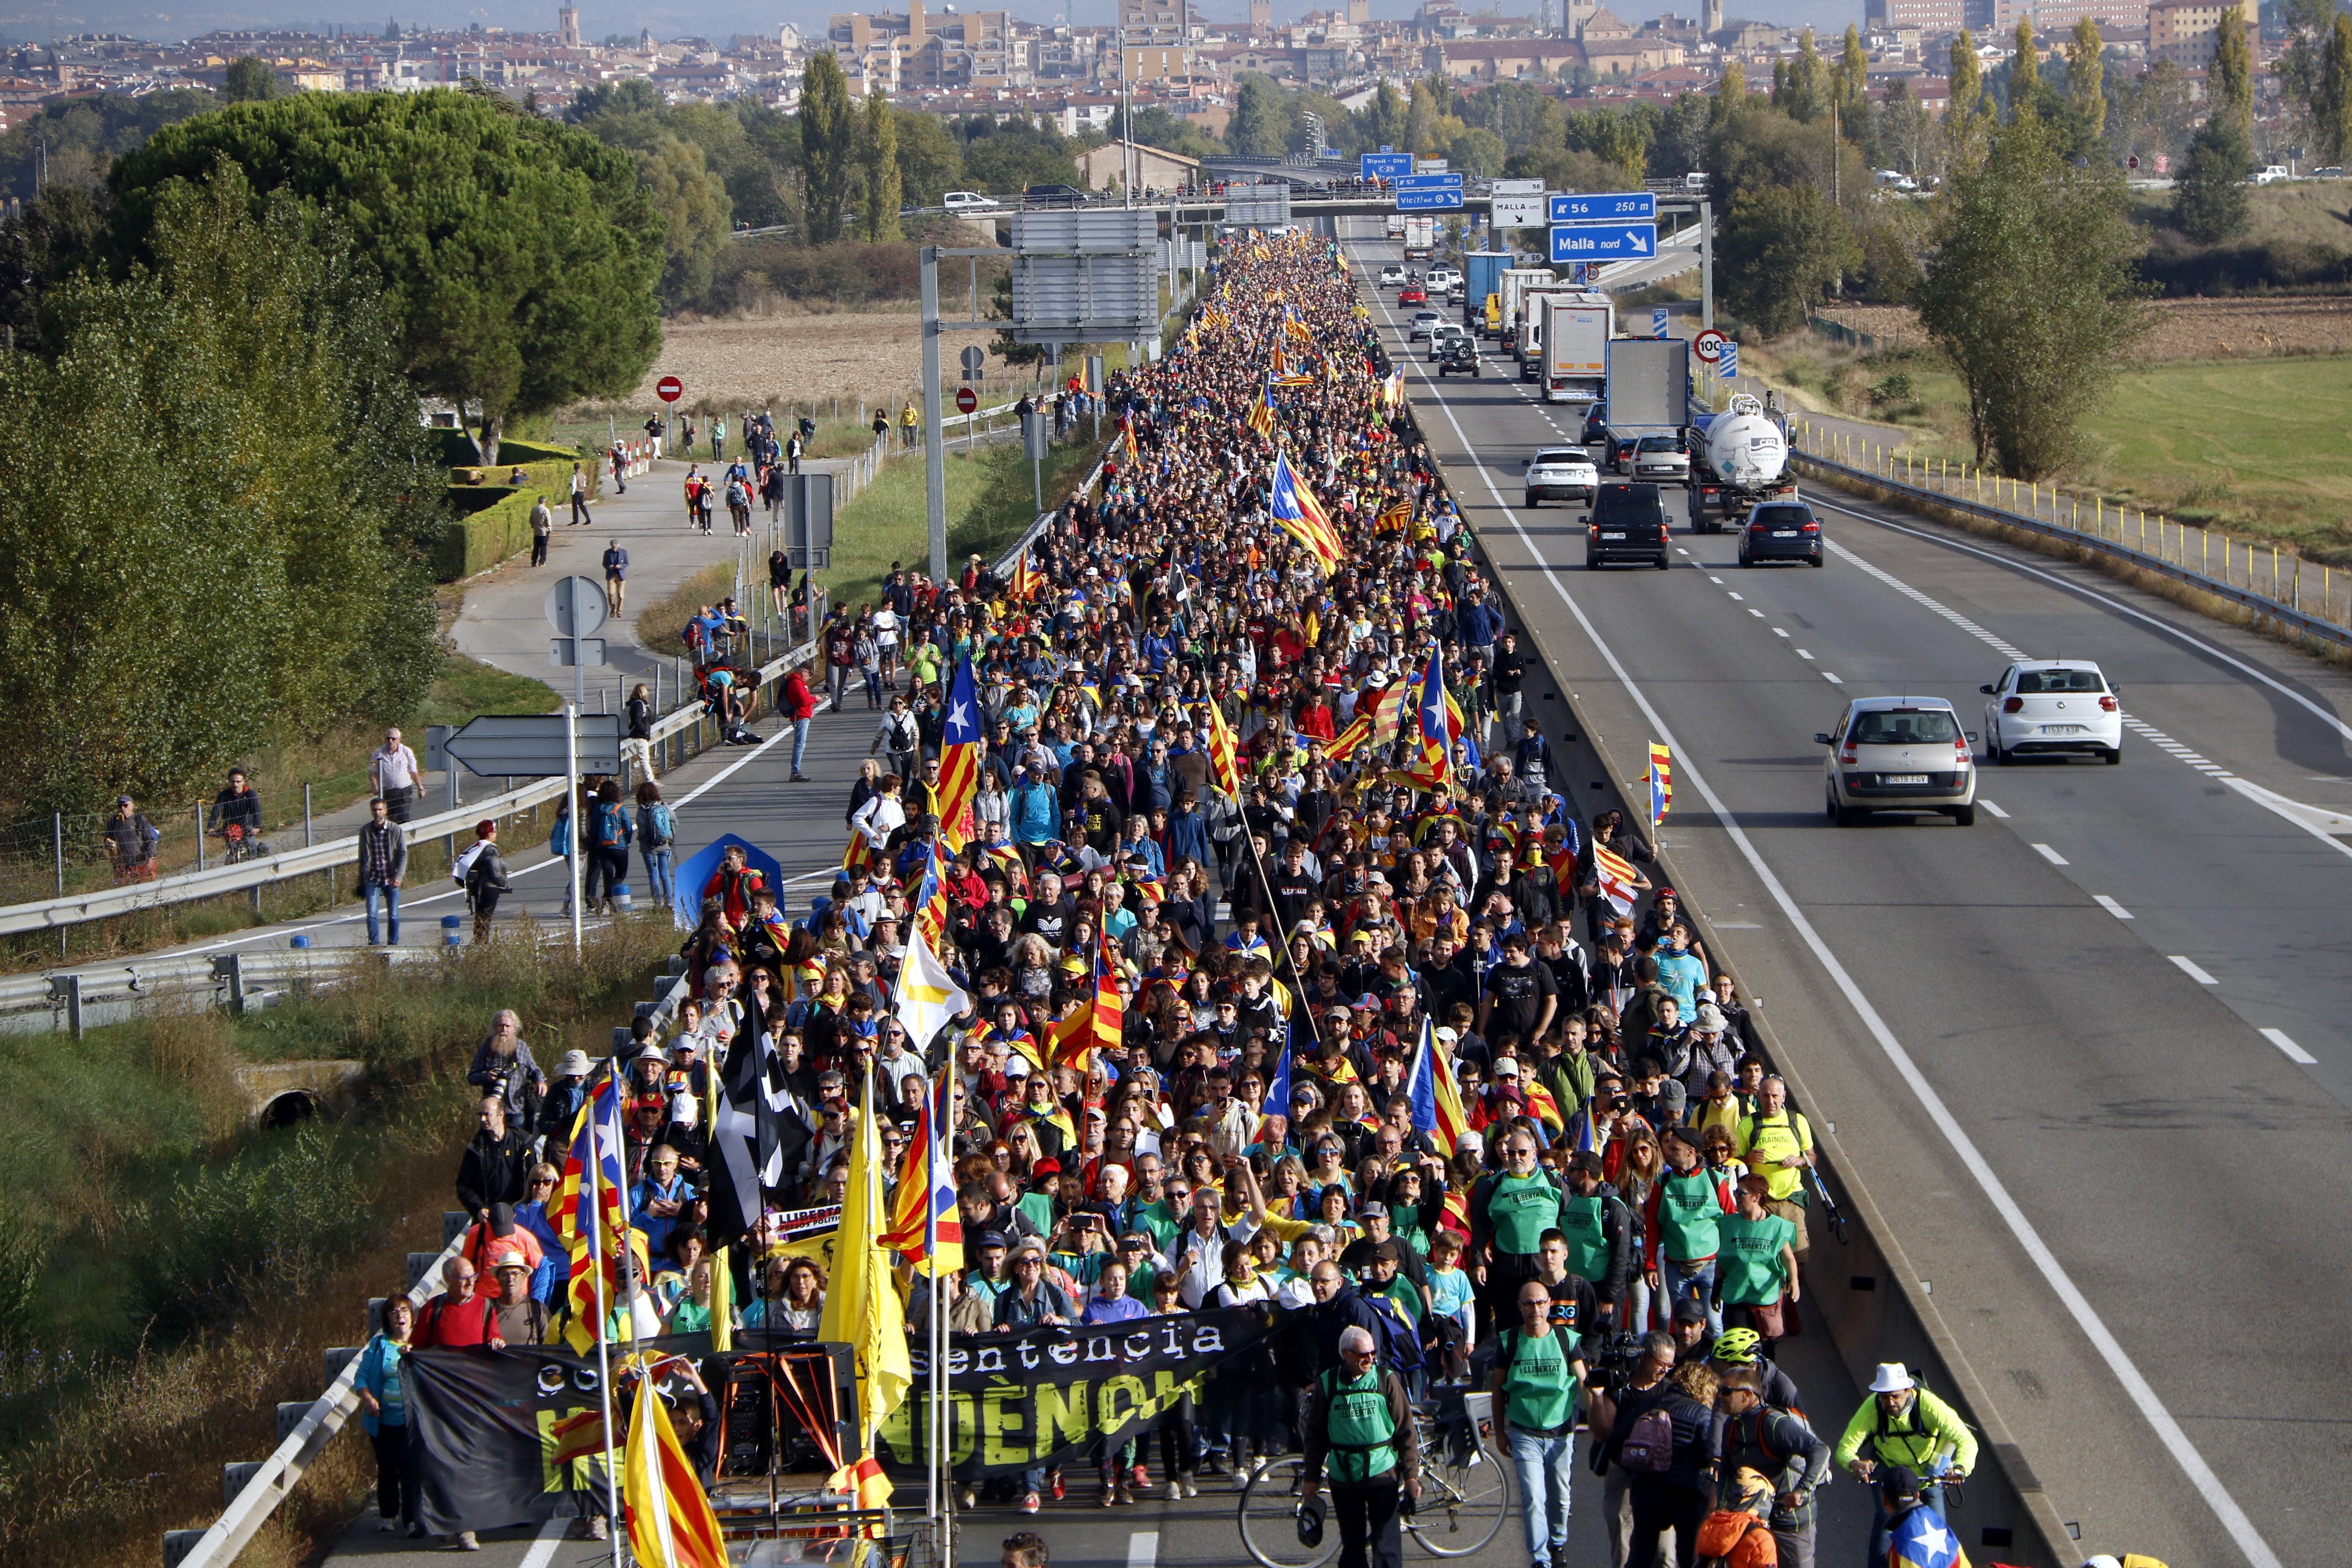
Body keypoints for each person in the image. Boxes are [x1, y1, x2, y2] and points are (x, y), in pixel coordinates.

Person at [1300, 1324, 1421, 1568]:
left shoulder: (1385, 1379)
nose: (1370, 1359)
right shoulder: (1327, 1383)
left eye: (1373, 1353)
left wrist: (1411, 1476)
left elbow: (1406, 1430)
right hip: (1344, 1477)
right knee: (1353, 1548)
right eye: (1363, 1354)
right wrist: (1311, 1478)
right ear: (1345, 1354)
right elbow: (1315, 1435)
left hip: (1382, 1474)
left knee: (1387, 1548)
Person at [1834, 1365, 1977, 1568]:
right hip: (1890, 1471)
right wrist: (1855, 1464)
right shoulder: (1872, 1408)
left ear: (1909, 1391)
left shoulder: (1929, 1406)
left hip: (1928, 1472)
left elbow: (1966, 1440)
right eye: (1884, 1397)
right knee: (1885, 1516)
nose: (1889, 1402)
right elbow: (1845, 1448)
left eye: (1896, 1396)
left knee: (1935, 1525)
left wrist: (1960, 1469)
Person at [1491, 1278, 1587, 1568]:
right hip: (1524, 1432)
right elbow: (1497, 1390)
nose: (1536, 1308)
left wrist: (1599, 1419)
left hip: (1560, 1432)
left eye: (1541, 1302)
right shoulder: (1508, 1341)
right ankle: (1541, 1559)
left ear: (1549, 1305)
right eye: (1529, 1303)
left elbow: (1585, 1383)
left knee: (1560, 1497)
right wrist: (1499, 1433)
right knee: (1533, 1497)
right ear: (1520, 1307)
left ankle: (1557, 1543)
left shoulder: (1567, 1340)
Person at [1713, 1363, 1831, 1568]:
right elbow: (1726, 1471)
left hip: (1789, 1522)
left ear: (1747, 1396)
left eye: (1725, 1392)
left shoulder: (1774, 1423)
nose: (1719, 1397)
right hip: (1751, 1521)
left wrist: (1801, 1491)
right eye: (1719, 1391)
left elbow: (1820, 1450)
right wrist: (1723, 1505)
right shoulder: (1731, 1425)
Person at [1613, 1359, 1718, 1568]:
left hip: (1646, 1490)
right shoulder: (1701, 1413)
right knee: (1690, 1556)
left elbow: (1620, 1438)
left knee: (1641, 1555)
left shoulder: (1651, 1403)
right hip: (1684, 1493)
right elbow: (1705, 1453)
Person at [355, 1294, 418, 1534]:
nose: (399, 1316)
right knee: (387, 1468)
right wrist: (368, 1398)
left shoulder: (421, 1343)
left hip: (411, 1420)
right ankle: (388, 1515)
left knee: (410, 1469)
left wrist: (412, 1355)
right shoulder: (379, 1345)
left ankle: (412, 1520)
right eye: (394, 1312)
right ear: (387, 1319)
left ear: (412, 1316)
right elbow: (361, 1376)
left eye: (404, 1310)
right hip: (382, 1421)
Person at [357, 796, 406, 946]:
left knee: (393, 915)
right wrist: (361, 881)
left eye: (380, 809)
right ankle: (374, 944)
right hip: (373, 878)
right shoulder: (366, 831)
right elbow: (362, 857)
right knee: (372, 914)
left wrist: (399, 875)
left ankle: (393, 944)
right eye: (374, 810)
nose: (377, 813)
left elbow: (403, 853)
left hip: (390, 878)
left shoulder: (395, 830)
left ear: (386, 811)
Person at [464, 820, 511, 942]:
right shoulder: (490, 849)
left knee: (480, 919)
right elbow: (495, 871)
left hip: (478, 889)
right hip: (489, 889)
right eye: (495, 831)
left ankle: (479, 945)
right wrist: (504, 883)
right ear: (490, 834)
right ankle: (482, 947)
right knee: (485, 920)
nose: (496, 834)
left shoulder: (476, 847)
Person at [636, 782, 677, 907]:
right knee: (665, 874)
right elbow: (674, 821)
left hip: (649, 848)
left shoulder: (641, 811)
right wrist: (668, 835)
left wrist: (639, 837)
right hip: (665, 845)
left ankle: (657, 903)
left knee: (653, 875)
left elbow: (642, 831)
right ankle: (668, 902)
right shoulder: (663, 806)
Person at [104, 794, 160, 881]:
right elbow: (108, 838)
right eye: (120, 806)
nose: (123, 808)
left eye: (125, 805)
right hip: (124, 865)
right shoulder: (114, 822)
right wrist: (108, 844)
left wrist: (150, 858)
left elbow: (151, 840)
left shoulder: (140, 820)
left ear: (132, 806)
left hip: (142, 862)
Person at [370, 728, 422, 823]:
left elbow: (414, 771)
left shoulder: (406, 752)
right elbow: (372, 771)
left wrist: (420, 787)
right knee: (392, 818)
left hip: (404, 790)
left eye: (393, 739)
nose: (390, 741)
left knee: (403, 815)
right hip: (389, 791)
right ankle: (395, 836)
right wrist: (375, 786)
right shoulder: (379, 753)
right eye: (388, 738)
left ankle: (405, 835)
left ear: (399, 739)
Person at [210, 769, 264, 859]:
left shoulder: (250, 794)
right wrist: (211, 827)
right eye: (233, 781)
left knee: (250, 845)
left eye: (238, 781)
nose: (235, 784)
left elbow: (256, 811)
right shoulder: (224, 795)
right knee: (230, 850)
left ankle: (254, 865)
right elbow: (216, 810)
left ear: (243, 782)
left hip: (246, 826)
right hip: (230, 827)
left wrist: (257, 827)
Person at [782, 663, 818, 783]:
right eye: (810, 674)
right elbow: (804, 700)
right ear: (804, 672)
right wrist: (815, 699)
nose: (810, 677)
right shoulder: (796, 683)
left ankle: (796, 771)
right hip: (801, 716)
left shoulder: (798, 682)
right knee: (799, 744)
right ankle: (795, 772)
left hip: (803, 715)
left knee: (800, 744)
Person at [529, 492, 552, 565]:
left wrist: (533, 526)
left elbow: (531, 519)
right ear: (544, 502)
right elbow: (548, 520)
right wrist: (549, 528)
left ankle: (534, 561)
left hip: (536, 531)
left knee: (536, 547)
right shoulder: (545, 510)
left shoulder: (534, 509)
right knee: (543, 547)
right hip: (544, 531)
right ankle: (542, 561)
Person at [569, 460, 592, 525]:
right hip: (582, 491)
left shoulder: (574, 475)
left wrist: (572, 493)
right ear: (580, 468)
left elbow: (574, 485)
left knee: (575, 506)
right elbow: (584, 485)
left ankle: (576, 521)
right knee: (582, 505)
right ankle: (588, 519)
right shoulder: (583, 475)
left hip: (576, 492)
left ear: (574, 468)